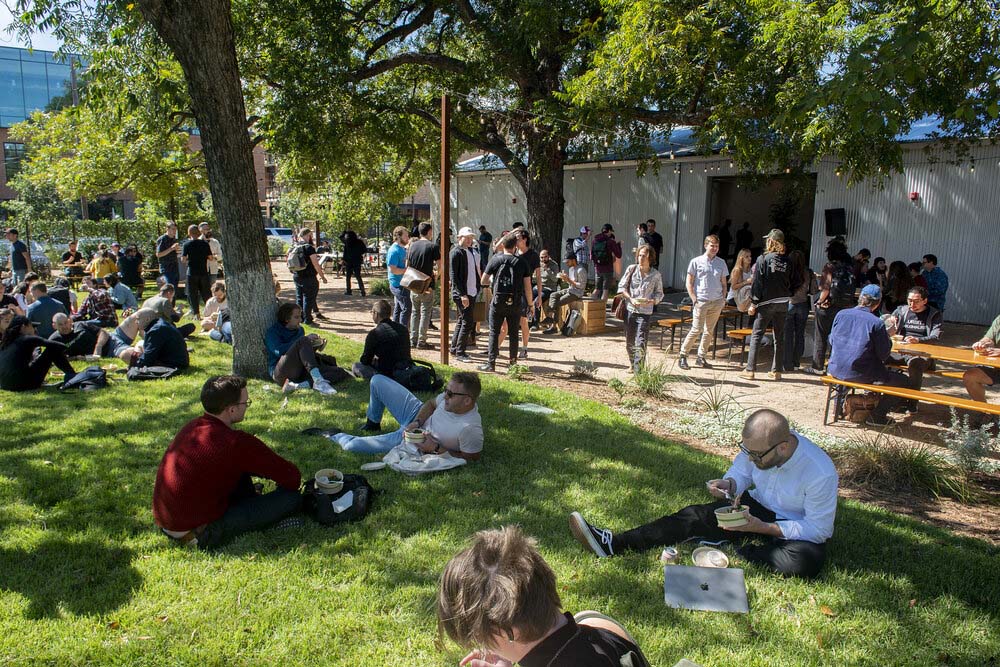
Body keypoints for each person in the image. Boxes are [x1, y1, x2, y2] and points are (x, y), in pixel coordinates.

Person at [570, 409, 837, 579]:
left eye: (757, 456)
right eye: (747, 452)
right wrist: (730, 484)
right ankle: (613, 543)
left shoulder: (820, 472)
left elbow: (819, 529)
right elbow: (742, 473)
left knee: (804, 562)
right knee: (693, 515)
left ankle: (741, 548)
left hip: (791, 526)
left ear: (783, 447)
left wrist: (764, 528)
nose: (751, 459)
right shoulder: (757, 449)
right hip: (755, 508)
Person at [438, 526, 649, 667]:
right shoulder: (603, 630)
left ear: (508, 633)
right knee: (587, 616)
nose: (482, 643)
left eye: (480, 636)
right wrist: (509, 653)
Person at [153, 374, 303, 550]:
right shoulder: (235, 443)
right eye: (245, 403)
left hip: (167, 521)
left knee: (239, 473)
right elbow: (292, 478)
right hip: (200, 530)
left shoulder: (192, 427)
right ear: (231, 409)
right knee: (292, 499)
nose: (246, 407)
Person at [324, 371, 483, 457]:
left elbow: (469, 458)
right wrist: (417, 422)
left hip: (416, 441)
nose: (445, 396)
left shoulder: (470, 429)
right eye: (446, 391)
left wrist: (435, 448)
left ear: (467, 401)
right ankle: (373, 423)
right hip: (417, 417)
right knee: (377, 380)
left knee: (351, 446)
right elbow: (431, 404)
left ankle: (335, 435)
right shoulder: (449, 398)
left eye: (450, 394)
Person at [827, 284, 910, 426]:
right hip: (861, 373)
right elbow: (883, 354)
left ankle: (838, 406)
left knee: (849, 367)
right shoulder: (876, 323)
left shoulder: (841, 314)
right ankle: (877, 416)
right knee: (904, 381)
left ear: (859, 298)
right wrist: (888, 336)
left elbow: (831, 339)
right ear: (878, 303)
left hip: (835, 368)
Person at [741, 229, 795, 381]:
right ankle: (776, 371)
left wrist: (753, 303)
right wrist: (788, 294)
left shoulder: (762, 259)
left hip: (766, 303)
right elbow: (795, 280)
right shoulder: (788, 260)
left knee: (757, 334)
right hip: (783, 302)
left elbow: (757, 283)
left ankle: (750, 369)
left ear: (771, 241)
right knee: (779, 336)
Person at [265, 302, 344, 395]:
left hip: (300, 370)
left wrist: (314, 345)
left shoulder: (300, 330)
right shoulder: (273, 332)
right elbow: (278, 351)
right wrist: (303, 341)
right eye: (296, 317)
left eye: (300, 316)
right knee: (303, 340)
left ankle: (298, 386)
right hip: (281, 372)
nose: (301, 320)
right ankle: (318, 381)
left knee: (340, 372)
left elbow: (303, 354)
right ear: (287, 319)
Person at [478, 234, 531, 372]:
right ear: (515, 246)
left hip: (498, 302)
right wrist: (530, 304)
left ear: (503, 245)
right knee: (514, 333)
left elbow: (483, 280)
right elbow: (527, 286)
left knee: (494, 332)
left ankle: (491, 363)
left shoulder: (496, 259)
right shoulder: (521, 262)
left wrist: (493, 283)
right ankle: (512, 364)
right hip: (515, 302)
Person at [885, 285, 942, 405]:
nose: (912, 304)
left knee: (915, 364)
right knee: (878, 357)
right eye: (909, 300)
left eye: (916, 301)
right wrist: (890, 321)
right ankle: (876, 397)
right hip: (900, 351)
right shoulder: (901, 310)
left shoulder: (934, 314)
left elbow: (935, 337)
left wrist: (918, 340)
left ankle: (911, 403)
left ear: (925, 301)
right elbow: (888, 328)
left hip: (922, 355)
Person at [678, 234, 728, 370]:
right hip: (701, 301)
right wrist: (694, 299)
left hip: (716, 301)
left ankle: (701, 357)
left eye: (716, 246)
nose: (714, 248)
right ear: (706, 245)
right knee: (696, 329)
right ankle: (683, 355)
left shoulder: (721, 263)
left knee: (709, 331)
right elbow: (689, 282)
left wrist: (723, 299)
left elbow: (724, 283)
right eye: (712, 245)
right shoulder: (696, 261)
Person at [806, 240, 855, 376]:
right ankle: (834, 366)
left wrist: (819, 302)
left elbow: (825, 288)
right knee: (838, 337)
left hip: (828, 306)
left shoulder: (830, 266)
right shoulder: (850, 268)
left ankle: (817, 366)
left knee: (821, 336)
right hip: (844, 307)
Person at [0, 315, 78, 391]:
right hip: (23, 385)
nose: (34, 330)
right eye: (32, 326)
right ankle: (73, 376)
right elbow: (59, 346)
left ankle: (72, 375)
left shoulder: (6, 342)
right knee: (52, 349)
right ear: (23, 327)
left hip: (5, 385)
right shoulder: (27, 339)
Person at [619, 245, 664, 372]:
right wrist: (631, 299)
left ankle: (639, 371)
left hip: (645, 312)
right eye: (639, 255)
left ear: (650, 257)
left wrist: (653, 301)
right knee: (629, 341)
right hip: (630, 310)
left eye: (644, 255)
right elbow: (622, 287)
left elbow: (660, 293)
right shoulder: (631, 269)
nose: (641, 258)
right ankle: (633, 364)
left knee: (641, 341)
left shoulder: (656, 275)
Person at [500, 229, 540, 356]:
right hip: (511, 292)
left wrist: (538, 295)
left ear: (525, 239)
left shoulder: (533, 255)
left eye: (518, 238)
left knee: (523, 321)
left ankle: (524, 349)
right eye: (515, 238)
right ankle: (495, 349)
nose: (516, 241)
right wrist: (513, 231)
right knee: (505, 322)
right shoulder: (513, 252)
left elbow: (538, 277)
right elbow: (497, 247)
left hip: (524, 293)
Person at [353, 299, 411, 379]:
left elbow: (365, 360)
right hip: (405, 368)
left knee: (356, 366)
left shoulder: (375, 333)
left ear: (376, 314)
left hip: (386, 373)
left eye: (372, 312)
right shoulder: (403, 329)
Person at [406, 222, 440, 349]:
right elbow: (440, 264)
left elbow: (407, 264)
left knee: (415, 312)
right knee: (425, 312)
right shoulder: (433, 246)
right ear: (430, 231)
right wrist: (436, 275)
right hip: (427, 284)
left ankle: (412, 340)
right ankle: (421, 340)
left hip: (414, 283)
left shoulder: (412, 245)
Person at [50, 312, 139, 361]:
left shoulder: (80, 325)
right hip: (111, 349)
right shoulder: (54, 340)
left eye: (66, 323)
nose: (64, 326)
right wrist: (76, 358)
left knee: (141, 315)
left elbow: (103, 332)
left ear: (70, 321)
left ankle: (148, 342)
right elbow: (56, 358)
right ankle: (145, 349)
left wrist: (98, 346)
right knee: (130, 355)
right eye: (60, 324)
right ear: (54, 326)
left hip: (112, 338)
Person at [449, 227, 481, 363]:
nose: (469, 240)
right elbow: (454, 276)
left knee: (463, 320)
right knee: (467, 322)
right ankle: (460, 352)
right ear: (459, 238)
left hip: (472, 291)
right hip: (463, 293)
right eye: (466, 237)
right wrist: (462, 294)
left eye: (471, 238)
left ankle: (455, 348)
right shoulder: (456, 252)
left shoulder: (471, 251)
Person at [783, 250, 815, 372]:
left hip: (789, 303)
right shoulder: (808, 272)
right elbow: (813, 290)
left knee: (788, 335)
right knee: (800, 334)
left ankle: (787, 363)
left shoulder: (787, 271)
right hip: (803, 304)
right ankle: (796, 362)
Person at [542, 252, 587, 335]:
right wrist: (565, 279)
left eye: (568, 261)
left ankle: (554, 326)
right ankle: (549, 317)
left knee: (557, 303)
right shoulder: (571, 269)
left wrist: (568, 280)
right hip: (570, 289)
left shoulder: (581, 270)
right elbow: (571, 283)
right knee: (553, 295)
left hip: (577, 293)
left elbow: (581, 286)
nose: (566, 263)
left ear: (573, 260)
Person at [291, 227, 328, 325]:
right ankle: (308, 319)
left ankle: (300, 318)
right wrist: (322, 276)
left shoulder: (294, 246)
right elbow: (316, 264)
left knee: (299, 298)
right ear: (308, 235)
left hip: (297, 275)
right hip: (309, 277)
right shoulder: (309, 247)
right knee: (309, 298)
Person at [963, 314, 1000, 408]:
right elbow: (989, 338)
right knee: (970, 376)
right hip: (997, 367)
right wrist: (981, 344)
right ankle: (985, 412)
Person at [181, 224, 213, 318]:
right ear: (199, 232)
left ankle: (197, 314)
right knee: (206, 293)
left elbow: (183, 259)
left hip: (192, 272)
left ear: (189, 233)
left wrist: (189, 259)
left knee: (193, 294)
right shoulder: (205, 244)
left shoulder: (187, 244)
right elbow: (210, 258)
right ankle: (211, 312)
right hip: (203, 272)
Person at [590, 223, 622, 302]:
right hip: (608, 269)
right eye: (611, 231)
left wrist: (596, 264)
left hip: (598, 268)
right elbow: (618, 255)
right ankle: (602, 309)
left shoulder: (594, 240)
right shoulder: (610, 241)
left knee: (597, 289)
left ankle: (590, 306)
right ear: (609, 231)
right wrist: (619, 246)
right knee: (605, 289)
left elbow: (591, 256)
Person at [387, 226, 411, 327]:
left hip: (404, 283)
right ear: (398, 236)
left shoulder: (403, 249)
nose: (408, 237)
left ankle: (395, 329)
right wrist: (406, 271)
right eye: (405, 235)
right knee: (407, 307)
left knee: (398, 307)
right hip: (397, 285)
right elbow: (393, 270)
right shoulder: (393, 251)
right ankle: (403, 331)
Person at [534, 249, 560, 326]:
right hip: (539, 286)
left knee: (537, 300)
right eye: (541, 257)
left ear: (549, 256)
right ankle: (525, 321)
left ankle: (535, 323)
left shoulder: (554, 265)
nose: (543, 259)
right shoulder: (538, 264)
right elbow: (535, 277)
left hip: (549, 288)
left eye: (545, 257)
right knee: (526, 297)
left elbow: (555, 279)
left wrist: (547, 269)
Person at [339, 229, 368, 297]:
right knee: (358, 276)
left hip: (349, 261)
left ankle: (348, 290)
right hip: (357, 261)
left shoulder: (347, 242)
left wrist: (344, 231)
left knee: (348, 276)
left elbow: (340, 237)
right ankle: (362, 291)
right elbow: (364, 250)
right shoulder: (359, 242)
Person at [155, 222, 181, 287]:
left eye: (175, 229)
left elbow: (174, 253)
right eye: (173, 229)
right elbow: (158, 254)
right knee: (168, 289)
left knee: (174, 290)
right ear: (167, 229)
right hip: (166, 268)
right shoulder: (162, 239)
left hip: (175, 267)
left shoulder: (174, 239)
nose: (175, 231)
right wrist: (171, 248)